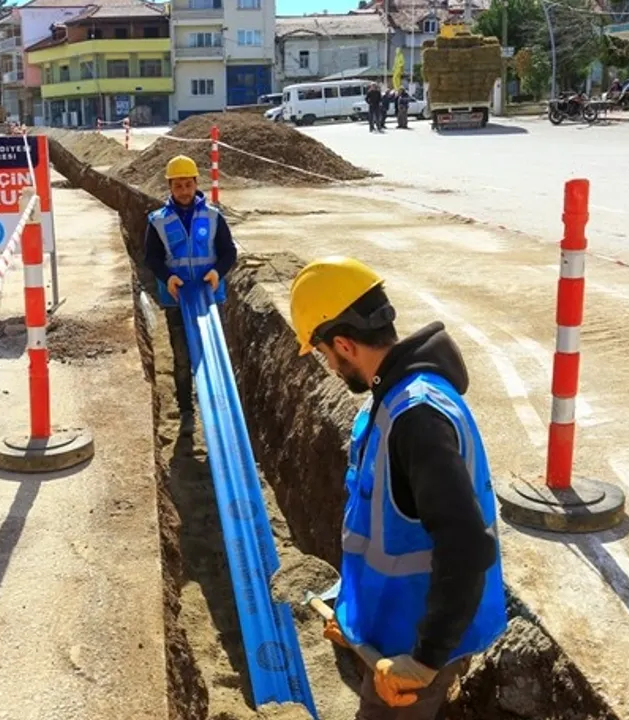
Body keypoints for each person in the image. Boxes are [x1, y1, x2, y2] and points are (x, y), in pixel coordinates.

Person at [287, 257, 507, 720]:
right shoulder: (393, 400)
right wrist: (354, 616)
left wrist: (424, 661)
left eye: (325, 354)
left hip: (416, 646)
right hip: (397, 629)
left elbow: (467, 546)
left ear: (344, 344)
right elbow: (387, 530)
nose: (330, 365)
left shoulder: (416, 418)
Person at [144, 155, 237, 434]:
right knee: (182, 358)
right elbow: (152, 258)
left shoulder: (213, 216)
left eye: (188, 184)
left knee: (213, 356)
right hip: (176, 299)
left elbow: (229, 252)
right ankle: (186, 410)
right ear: (170, 187)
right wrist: (168, 277)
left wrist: (217, 272)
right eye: (178, 186)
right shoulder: (158, 221)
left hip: (210, 299)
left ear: (196, 183)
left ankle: (218, 410)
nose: (184, 191)